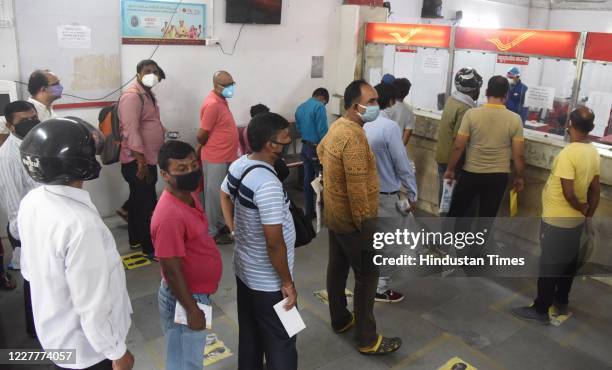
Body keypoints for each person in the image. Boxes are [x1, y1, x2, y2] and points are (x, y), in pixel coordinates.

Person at [18, 117, 134, 370]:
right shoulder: (81, 225)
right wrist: (116, 351)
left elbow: (28, 270)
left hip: (55, 339)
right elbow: (92, 305)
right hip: (89, 352)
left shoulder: (32, 201)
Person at [318, 80, 402, 355]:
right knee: (367, 276)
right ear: (357, 107)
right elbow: (357, 192)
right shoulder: (354, 137)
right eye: (374, 101)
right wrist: (367, 228)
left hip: (335, 215)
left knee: (338, 268)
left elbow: (320, 151)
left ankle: (341, 319)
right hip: (355, 222)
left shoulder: (338, 127)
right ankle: (366, 338)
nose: (379, 105)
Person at [220, 112, 298, 370]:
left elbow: (224, 195)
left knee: (251, 334)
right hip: (269, 281)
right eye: (285, 138)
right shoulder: (268, 185)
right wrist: (287, 282)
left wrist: (235, 230)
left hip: (245, 273)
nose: (289, 141)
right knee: (282, 339)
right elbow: (274, 242)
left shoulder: (241, 164)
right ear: (270, 144)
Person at [512, 107, 600, 325]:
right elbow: (595, 190)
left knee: (549, 264)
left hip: (557, 220)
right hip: (575, 222)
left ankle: (541, 309)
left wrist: (581, 208)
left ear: (570, 124)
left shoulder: (568, 154)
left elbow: (568, 193)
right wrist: (587, 214)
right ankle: (561, 300)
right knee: (568, 262)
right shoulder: (592, 151)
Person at [152, 141, 222, 370]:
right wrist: (192, 309)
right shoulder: (169, 216)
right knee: (185, 362)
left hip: (197, 294)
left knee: (190, 355)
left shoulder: (189, 195)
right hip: (185, 299)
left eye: (193, 165)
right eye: (181, 169)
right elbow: (171, 269)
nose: (191, 172)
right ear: (165, 174)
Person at [444, 76, 525, 247]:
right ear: (506, 95)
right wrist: (519, 177)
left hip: (471, 173)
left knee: (459, 211)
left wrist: (450, 169)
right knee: (486, 217)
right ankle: (475, 253)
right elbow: (518, 155)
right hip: (498, 176)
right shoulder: (515, 119)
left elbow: (458, 146)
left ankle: (453, 249)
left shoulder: (472, 114)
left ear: (487, 92)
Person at [364, 83, 418, 304]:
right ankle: (380, 287)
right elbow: (402, 164)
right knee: (391, 243)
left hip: (363, 194)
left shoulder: (360, 124)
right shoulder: (388, 127)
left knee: (370, 240)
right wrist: (412, 193)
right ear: (392, 101)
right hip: (385, 195)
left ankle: (367, 280)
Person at [118, 59, 166, 259]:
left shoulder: (147, 94)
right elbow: (131, 131)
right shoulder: (132, 97)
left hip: (148, 158)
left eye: (155, 71)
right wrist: (141, 161)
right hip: (138, 161)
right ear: (138, 73)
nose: (152, 75)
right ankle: (150, 248)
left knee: (138, 202)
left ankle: (136, 239)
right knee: (146, 205)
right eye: (147, 71)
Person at [0, 101, 40, 298]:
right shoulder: (8, 157)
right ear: (10, 126)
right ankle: (34, 328)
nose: (31, 122)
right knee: (34, 280)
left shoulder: (36, 141)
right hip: (27, 226)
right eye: (24, 120)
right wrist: (24, 238)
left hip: (44, 221)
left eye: (33, 118)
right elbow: (14, 205)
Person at [197, 70, 239, 245]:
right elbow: (201, 134)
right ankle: (212, 232)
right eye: (226, 85)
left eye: (232, 84)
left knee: (224, 194)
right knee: (214, 195)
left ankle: (221, 225)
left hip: (226, 156)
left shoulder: (222, 101)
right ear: (216, 85)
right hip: (215, 157)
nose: (230, 88)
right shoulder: (213, 104)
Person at [435, 68, 483, 202]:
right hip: (452, 161)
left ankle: (444, 221)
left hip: (443, 156)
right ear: (472, 89)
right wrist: (452, 168)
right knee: (449, 198)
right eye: (478, 87)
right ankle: (447, 222)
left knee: (445, 194)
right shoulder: (465, 108)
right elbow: (458, 141)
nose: (479, 91)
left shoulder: (452, 99)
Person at [295, 87, 329, 219]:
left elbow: (298, 127)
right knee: (322, 181)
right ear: (322, 98)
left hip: (305, 148)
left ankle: (309, 212)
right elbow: (323, 131)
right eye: (325, 102)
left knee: (308, 181)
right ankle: (325, 212)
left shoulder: (301, 107)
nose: (324, 105)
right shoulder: (319, 107)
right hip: (316, 149)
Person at [385, 78, 415, 145]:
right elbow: (406, 136)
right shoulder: (409, 111)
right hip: (395, 147)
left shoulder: (384, 105)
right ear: (407, 93)